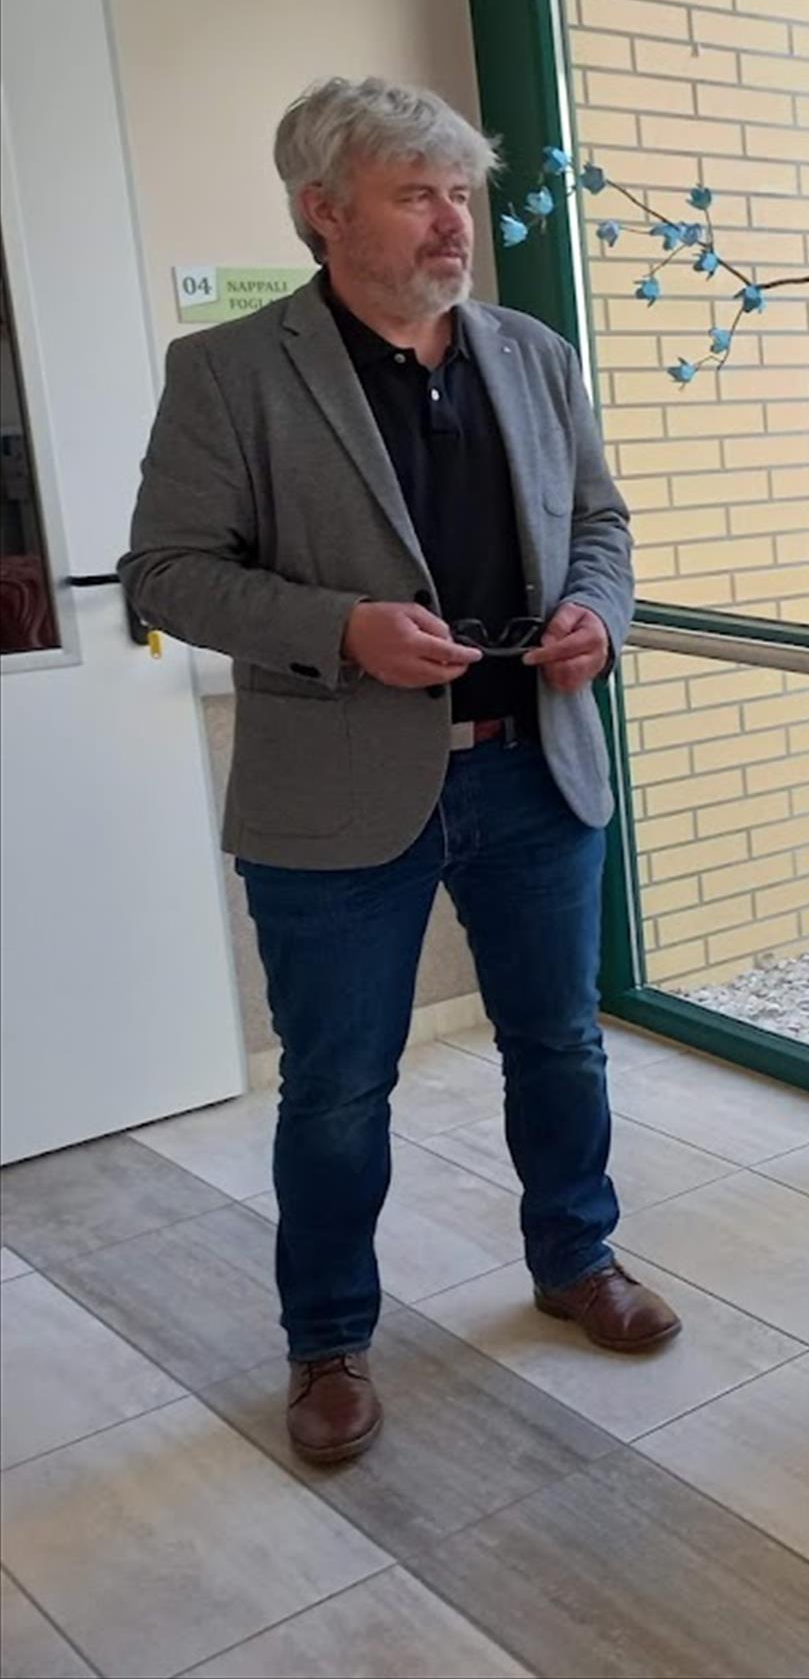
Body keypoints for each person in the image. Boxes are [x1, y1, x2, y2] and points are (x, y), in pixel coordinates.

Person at [121, 78, 678, 1466]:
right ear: (324, 210)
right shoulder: (230, 372)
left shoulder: (533, 354)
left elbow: (600, 523)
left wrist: (597, 613)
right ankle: (327, 1340)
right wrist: (341, 630)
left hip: (534, 772)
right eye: (417, 193)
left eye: (461, 192)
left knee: (560, 1041)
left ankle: (575, 1255)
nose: (453, 221)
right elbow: (167, 572)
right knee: (336, 1087)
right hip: (334, 793)